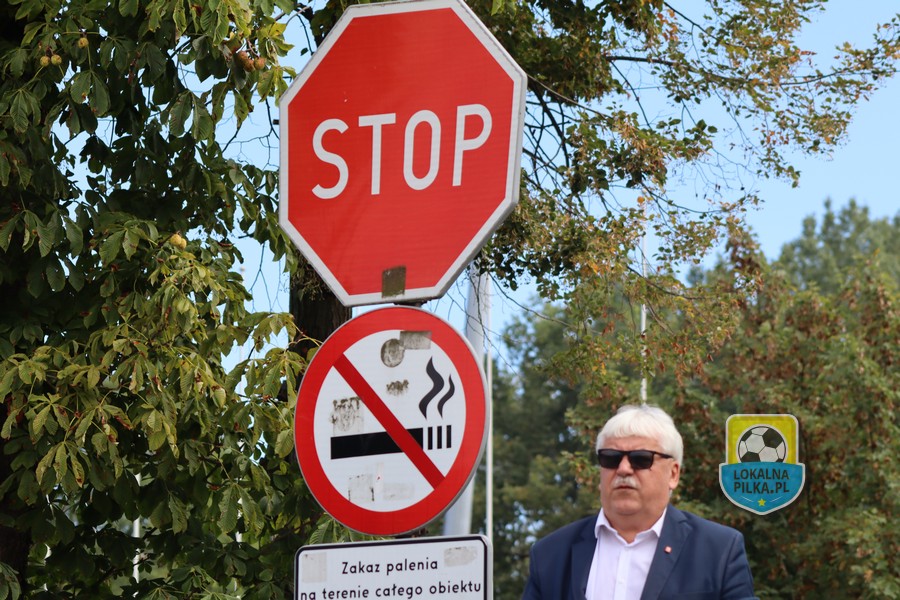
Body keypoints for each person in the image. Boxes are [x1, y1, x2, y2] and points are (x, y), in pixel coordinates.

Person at [522, 404, 756, 600]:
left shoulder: (718, 550)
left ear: (673, 474)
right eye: (611, 458)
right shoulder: (550, 554)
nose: (623, 469)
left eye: (641, 459)